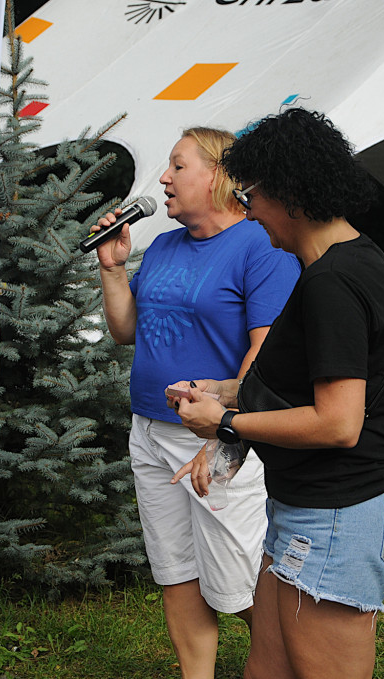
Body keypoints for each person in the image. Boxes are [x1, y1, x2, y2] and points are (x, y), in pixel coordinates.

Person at [171, 108, 384, 679]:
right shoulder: (349, 260)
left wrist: (226, 424)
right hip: (308, 508)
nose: (248, 209)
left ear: (291, 193)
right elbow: (325, 376)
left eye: (251, 194)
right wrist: (226, 391)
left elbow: (338, 422)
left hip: (339, 511)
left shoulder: (333, 281)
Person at [93, 127, 300, 679]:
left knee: (240, 578)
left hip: (218, 435)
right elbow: (126, 331)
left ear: (219, 176)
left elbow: (265, 352)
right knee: (176, 570)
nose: (163, 177)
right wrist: (113, 269)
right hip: (151, 429)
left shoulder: (261, 245)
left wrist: (229, 434)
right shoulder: (162, 245)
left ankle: (289, 666)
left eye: (177, 166)